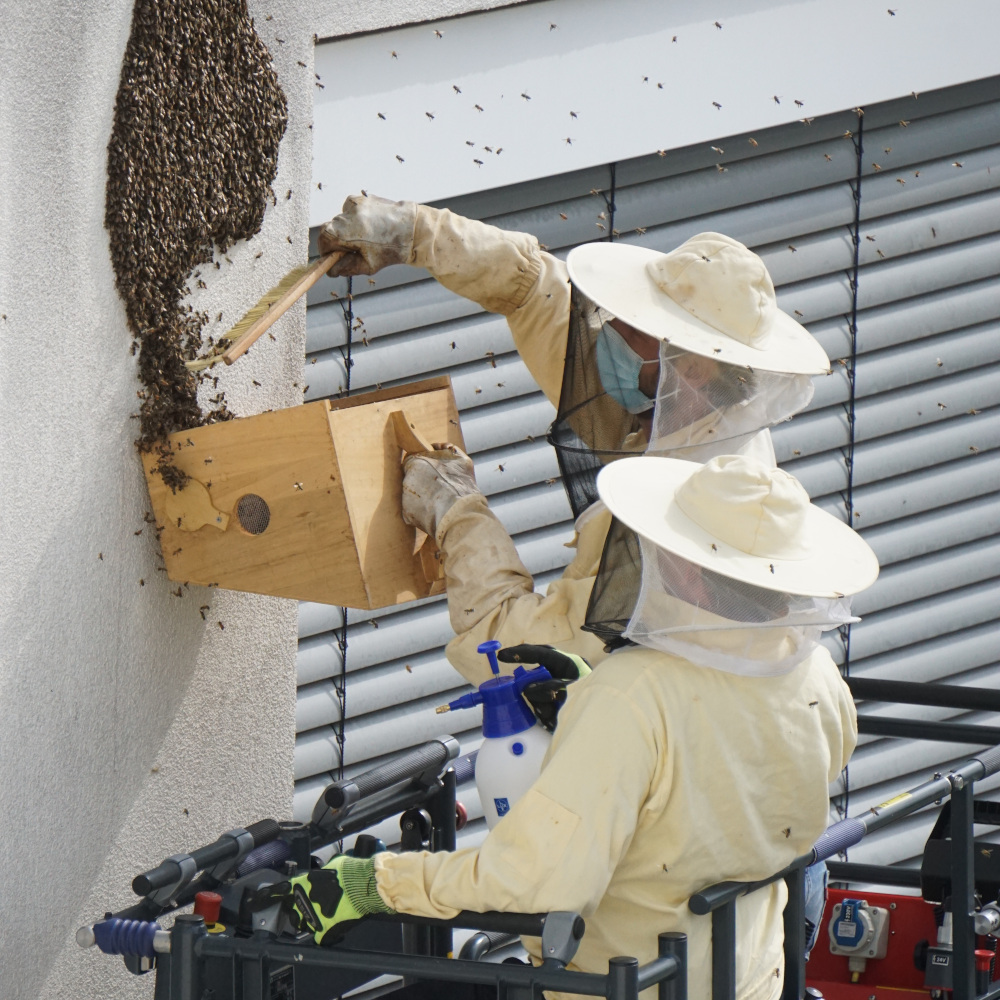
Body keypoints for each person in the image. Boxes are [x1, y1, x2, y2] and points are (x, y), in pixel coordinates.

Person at [272, 454, 877, 1000]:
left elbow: (532, 884)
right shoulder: (818, 677)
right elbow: (719, 777)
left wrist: (373, 884)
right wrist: (591, 697)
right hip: (746, 979)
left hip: (636, 985)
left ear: (691, 571)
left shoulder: (633, 697)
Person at [318, 195, 831, 687]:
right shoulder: (678, 401)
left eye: (635, 327)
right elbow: (532, 288)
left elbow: (524, 652)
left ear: (692, 365)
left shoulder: (689, 517)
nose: (609, 329)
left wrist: (457, 515)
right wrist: (414, 232)